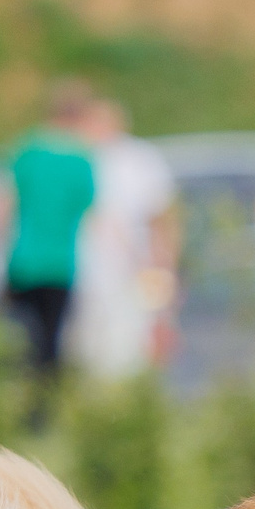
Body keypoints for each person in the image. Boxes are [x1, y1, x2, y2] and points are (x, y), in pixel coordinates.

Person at [0, 81, 99, 393]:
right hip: (60, 263)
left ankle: (13, 394)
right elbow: (89, 211)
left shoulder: (26, 150)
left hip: (23, 259)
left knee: (17, 336)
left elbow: (2, 203)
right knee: (51, 341)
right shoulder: (81, 160)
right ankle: (42, 406)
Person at [73, 96, 179, 381]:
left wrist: (163, 272)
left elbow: (161, 222)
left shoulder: (139, 160)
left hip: (130, 270)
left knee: (130, 349)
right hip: (83, 274)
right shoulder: (77, 158)